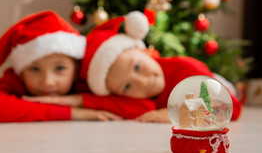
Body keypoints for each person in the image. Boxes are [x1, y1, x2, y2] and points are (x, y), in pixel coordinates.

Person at [77, 11, 242, 122]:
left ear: (145, 52)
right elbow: (107, 103)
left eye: (136, 67)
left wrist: (178, 113)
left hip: (217, 85)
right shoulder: (137, 99)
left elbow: (231, 108)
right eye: (127, 86)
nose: (141, 82)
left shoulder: (188, 70)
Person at [0, 11, 122, 122]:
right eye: (34, 69)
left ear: (76, 69)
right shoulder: (15, 81)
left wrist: (79, 100)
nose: (48, 81)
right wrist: (73, 113)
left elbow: (138, 106)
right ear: (21, 73)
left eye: (60, 68)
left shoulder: (89, 81)